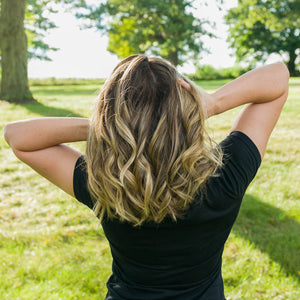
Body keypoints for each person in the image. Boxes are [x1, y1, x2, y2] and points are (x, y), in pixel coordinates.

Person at [4, 55, 289, 299]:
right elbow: (278, 77)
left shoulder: (105, 185)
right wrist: (213, 103)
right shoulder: (226, 175)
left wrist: (111, 126)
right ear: (184, 110)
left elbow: (17, 136)